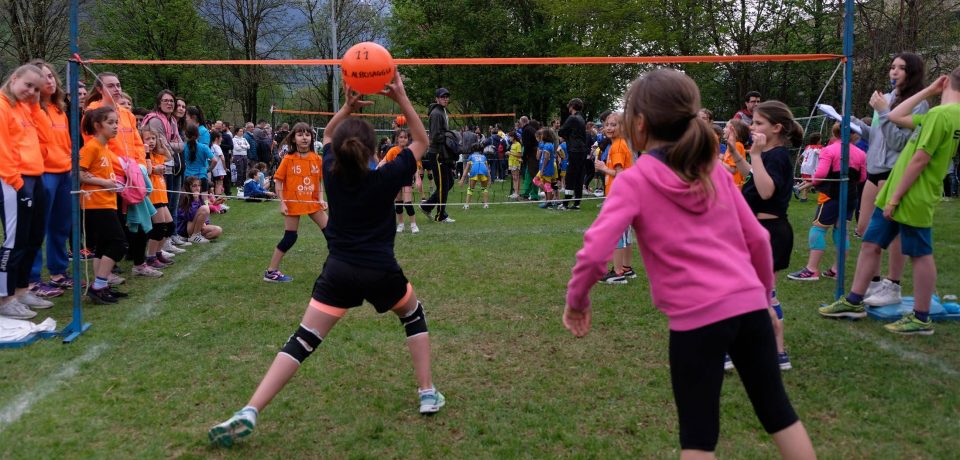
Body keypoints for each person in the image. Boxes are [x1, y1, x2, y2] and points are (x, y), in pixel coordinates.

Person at [563, 69, 815, 459]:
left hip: (697, 321)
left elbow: (596, 248)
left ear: (640, 123)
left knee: (698, 437)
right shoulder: (712, 170)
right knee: (778, 413)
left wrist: (576, 300)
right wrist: (764, 297)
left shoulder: (634, 180)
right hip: (750, 308)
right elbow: (758, 242)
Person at [208, 73, 443, 448]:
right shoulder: (386, 177)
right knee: (413, 315)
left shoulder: (330, 171)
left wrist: (347, 107)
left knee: (303, 340)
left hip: (339, 273)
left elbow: (329, 135)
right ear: (372, 151)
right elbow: (421, 140)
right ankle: (427, 391)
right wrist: (400, 98)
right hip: (381, 272)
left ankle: (250, 409)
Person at [819, 69, 960, 335]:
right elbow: (894, 116)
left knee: (920, 254)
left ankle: (921, 318)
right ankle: (853, 302)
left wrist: (895, 197)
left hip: (912, 195)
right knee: (871, 243)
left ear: (947, 82)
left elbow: (921, 159)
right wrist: (929, 91)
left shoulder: (941, 115)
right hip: (898, 191)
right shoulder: (941, 114)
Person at [849, 52, 928, 307]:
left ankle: (892, 284)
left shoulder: (918, 104)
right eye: (892, 66)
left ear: (912, 72)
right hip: (874, 168)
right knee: (863, 228)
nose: (894, 71)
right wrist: (858, 127)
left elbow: (900, 142)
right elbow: (880, 138)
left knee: (892, 233)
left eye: (901, 68)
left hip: (893, 171)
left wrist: (884, 113)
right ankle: (873, 281)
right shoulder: (886, 97)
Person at [0, 64, 54, 318]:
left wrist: (35, 103)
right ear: (14, 79)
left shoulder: (25, 107)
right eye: (27, 85)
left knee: (33, 238)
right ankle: (4, 297)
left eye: (36, 88)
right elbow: (3, 150)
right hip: (14, 180)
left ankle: (21, 290)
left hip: (35, 176)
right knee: (15, 241)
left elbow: (45, 136)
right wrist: (17, 184)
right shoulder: (2, 105)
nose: (31, 91)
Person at [788, 123, 866, 281]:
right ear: (854, 135)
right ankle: (838, 270)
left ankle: (811, 270)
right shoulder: (860, 153)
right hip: (850, 196)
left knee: (818, 229)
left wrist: (812, 182)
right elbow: (862, 178)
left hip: (831, 196)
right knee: (841, 230)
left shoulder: (829, 150)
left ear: (835, 132)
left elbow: (820, 175)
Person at [27, 59, 74, 298]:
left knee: (61, 225)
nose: (50, 81)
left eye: (51, 76)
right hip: (42, 174)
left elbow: (66, 143)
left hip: (63, 172)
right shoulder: (32, 111)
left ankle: (58, 272)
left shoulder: (59, 110)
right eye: (44, 77)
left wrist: (70, 165)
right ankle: (33, 279)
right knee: (36, 227)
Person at [263, 123, 327, 283]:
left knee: (332, 233)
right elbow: (278, 182)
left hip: (312, 202)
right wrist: (282, 203)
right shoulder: (288, 159)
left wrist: (320, 198)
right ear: (293, 138)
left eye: (307, 134)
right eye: (300, 134)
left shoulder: (317, 159)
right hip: (293, 202)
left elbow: (319, 181)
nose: (304, 137)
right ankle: (271, 272)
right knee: (290, 237)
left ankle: (337, 269)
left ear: (312, 138)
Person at [77, 107, 128, 304]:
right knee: (118, 243)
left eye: (117, 122)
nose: (116, 126)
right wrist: (105, 183)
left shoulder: (105, 148)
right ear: (98, 126)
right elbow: (78, 173)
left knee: (104, 246)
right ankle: (98, 284)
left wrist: (114, 184)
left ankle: (102, 285)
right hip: (95, 205)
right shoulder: (91, 147)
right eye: (111, 122)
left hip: (107, 202)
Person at [593, 112, 635, 284]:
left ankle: (618, 273)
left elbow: (620, 174)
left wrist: (603, 167)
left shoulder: (617, 146)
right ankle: (626, 268)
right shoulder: (621, 144)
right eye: (607, 124)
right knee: (625, 233)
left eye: (614, 125)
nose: (609, 128)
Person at [140, 126, 180, 271]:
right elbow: (149, 171)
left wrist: (162, 144)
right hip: (153, 196)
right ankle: (150, 256)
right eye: (147, 139)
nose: (151, 142)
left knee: (169, 227)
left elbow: (170, 157)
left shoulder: (157, 154)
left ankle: (157, 252)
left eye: (153, 138)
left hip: (161, 194)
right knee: (158, 228)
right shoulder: (143, 155)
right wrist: (146, 154)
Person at [420, 87, 455, 223]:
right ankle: (441, 216)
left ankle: (427, 206)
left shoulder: (442, 111)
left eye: (447, 96)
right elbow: (434, 136)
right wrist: (450, 137)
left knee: (449, 182)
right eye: (442, 97)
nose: (445, 99)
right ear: (437, 99)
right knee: (442, 184)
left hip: (443, 153)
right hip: (437, 154)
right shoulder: (436, 113)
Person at [379, 129, 421, 233]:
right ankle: (401, 225)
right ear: (397, 139)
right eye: (401, 137)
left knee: (408, 203)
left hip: (407, 179)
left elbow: (416, 166)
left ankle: (413, 225)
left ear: (408, 139)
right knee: (398, 203)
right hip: (395, 179)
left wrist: (418, 178)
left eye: (405, 137)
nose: (403, 139)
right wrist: (376, 170)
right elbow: (384, 161)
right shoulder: (393, 150)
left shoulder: (410, 151)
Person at [558, 98, 589, 209]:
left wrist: (567, 137)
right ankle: (577, 203)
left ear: (571, 106)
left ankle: (565, 203)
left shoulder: (572, 118)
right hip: (582, 150)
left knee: (570, 176)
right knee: (579, 175)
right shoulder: (582, 118)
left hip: (574, 150)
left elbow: (561, 131)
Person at [176, 177, 222, 243]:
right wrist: (195, 201)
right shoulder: (184, 197)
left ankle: (192, 238)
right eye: (194, 186)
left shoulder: (200, 197)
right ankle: (195, 236)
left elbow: (205, 215)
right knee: (205, 208)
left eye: (199, 185)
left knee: (218, 230)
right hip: (185, 228)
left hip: (196, 227)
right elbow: (189, 217)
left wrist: (205, 223)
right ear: (188, 187)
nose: (197, 188)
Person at [182, 124, 217, 191]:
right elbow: (214, 160)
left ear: (186, 135)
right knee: (205, 198)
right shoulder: (204, 147)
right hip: (202, 176)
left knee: (189, 198)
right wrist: (208, 170)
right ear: (198, 135)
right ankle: (206, 202)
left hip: (188, 177)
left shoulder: (183, 147)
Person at [721, 119, 751, 189]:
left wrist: (717, 161)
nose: (723, 129)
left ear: (735, 132)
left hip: (734, 186)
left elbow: (732, 170)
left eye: (726, 127)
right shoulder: (732, 146)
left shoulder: (737, 145)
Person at [459, 144, 491, 209]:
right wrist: (489, 178)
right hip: (484, 170)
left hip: (475, 171)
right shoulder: (483, 156)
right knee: (484, 188)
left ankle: (467, 205)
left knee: (470, 188)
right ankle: (486, 204)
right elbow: (487, 168)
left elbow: (466, 169)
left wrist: (462, 179)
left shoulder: (471, 156)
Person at [535, 128, 560, 209]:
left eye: (542, 134)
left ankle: (549, 201)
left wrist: (542, 169)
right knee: (545, 184)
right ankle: (548, 200)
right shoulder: (549, 144)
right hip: (548, 168)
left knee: (545, 184)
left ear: (545, 136)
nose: (541, 136)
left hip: (547, 169)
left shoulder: (547, 145)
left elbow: (546, 158)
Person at [794, 134, 823, 201]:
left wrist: (799, 161)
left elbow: (800, 157)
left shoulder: (808, 147)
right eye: (820, 139)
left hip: (804, 167)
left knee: (807, 181)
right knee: (814, 181)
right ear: (818, 140)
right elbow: (821, 154)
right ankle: (798, 189)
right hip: (811, 167)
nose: (821, 140)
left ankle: (803, 197)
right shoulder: (818, 147)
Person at [210, 131, 227, 197]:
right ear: (217, 138)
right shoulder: (217, 147)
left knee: (217, 184)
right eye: (221, 137)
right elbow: (222, 158)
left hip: (214, 169)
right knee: (219, 185)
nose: (222, 139)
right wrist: (225, 168)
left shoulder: (212, 146)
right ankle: (218, 203)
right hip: (219, 170)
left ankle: (217, 202)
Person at [507, 131, 522, 198]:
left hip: (516, 163)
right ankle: (515, 192)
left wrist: (510, 153)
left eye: (510, 136)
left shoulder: (518, 144)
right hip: (511, 163)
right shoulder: (512, 144)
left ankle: (516, 193)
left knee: (516, 178)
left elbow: (519, 155)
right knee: (514, 178)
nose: (509, 138)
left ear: (513, 137)